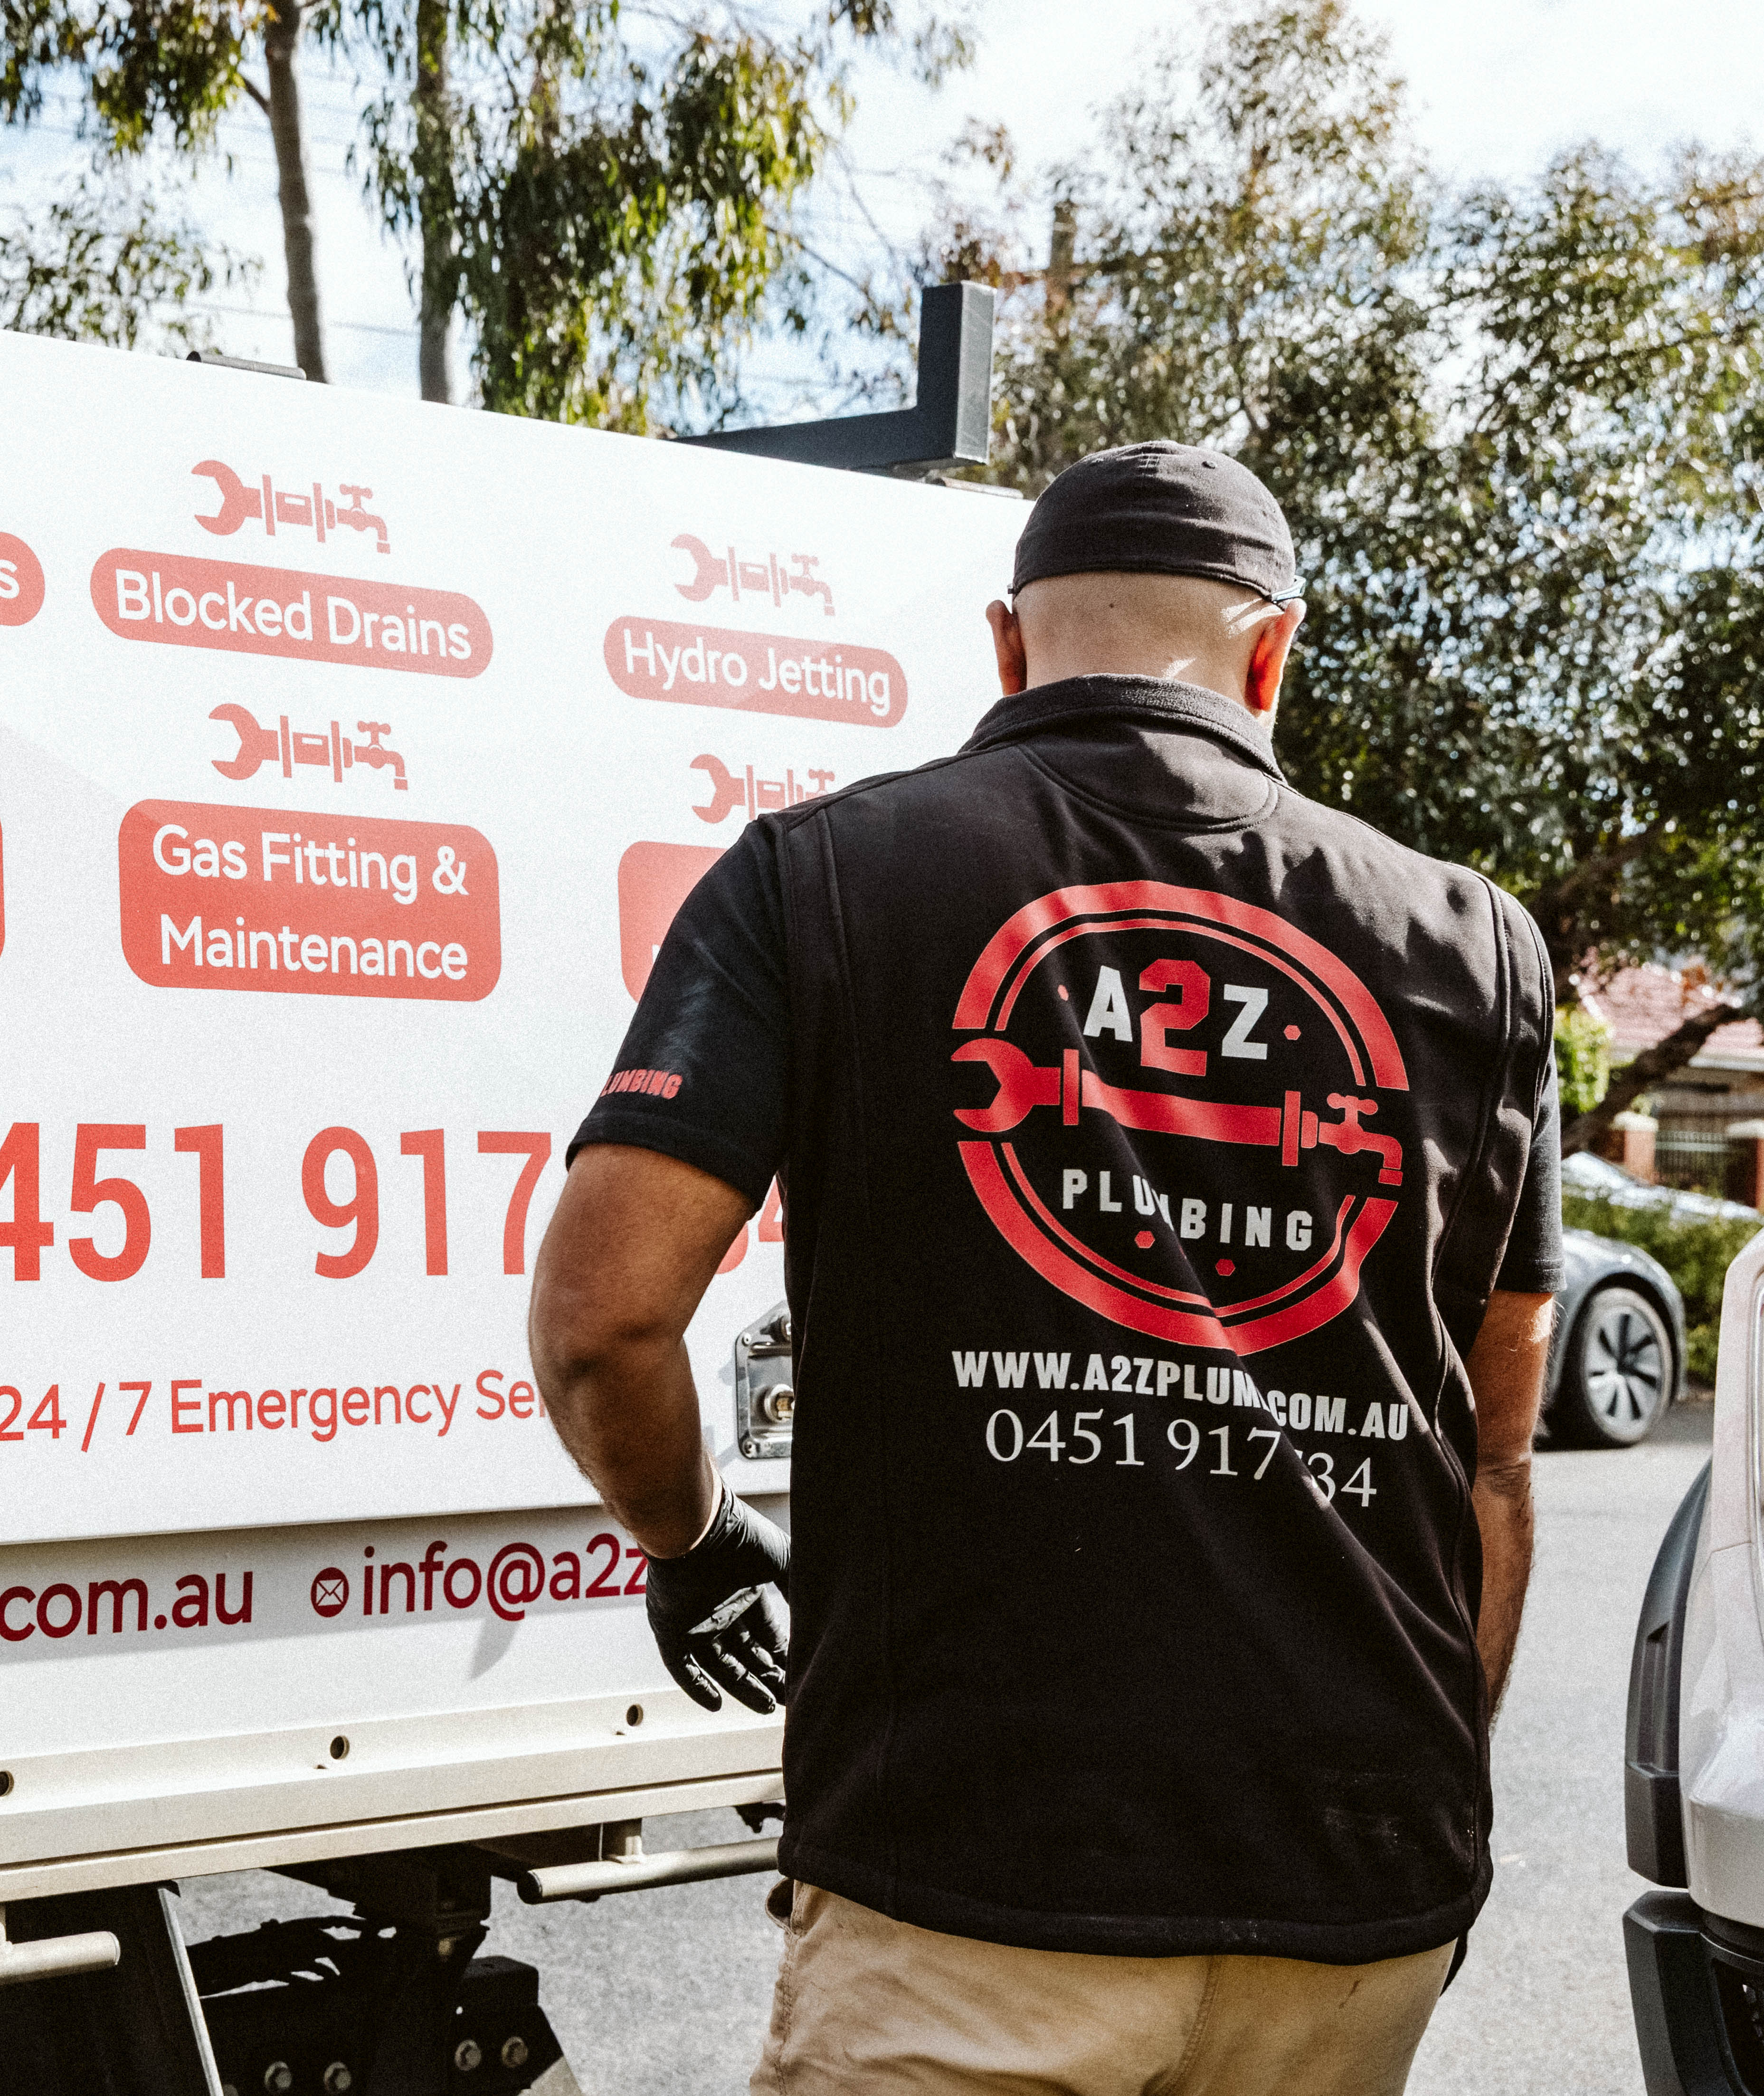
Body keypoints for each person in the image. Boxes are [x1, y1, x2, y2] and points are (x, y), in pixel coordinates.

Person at [528, 441, 1562, 2096]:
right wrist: (1413, 1790)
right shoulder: (1475, 944)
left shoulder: (822, 879)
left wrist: (698, 1541)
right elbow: (1492, 1461)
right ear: (1271, 652)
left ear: (1007, 646)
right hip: (1352, 1897)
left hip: (973, 1888)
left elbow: (604, 1322)